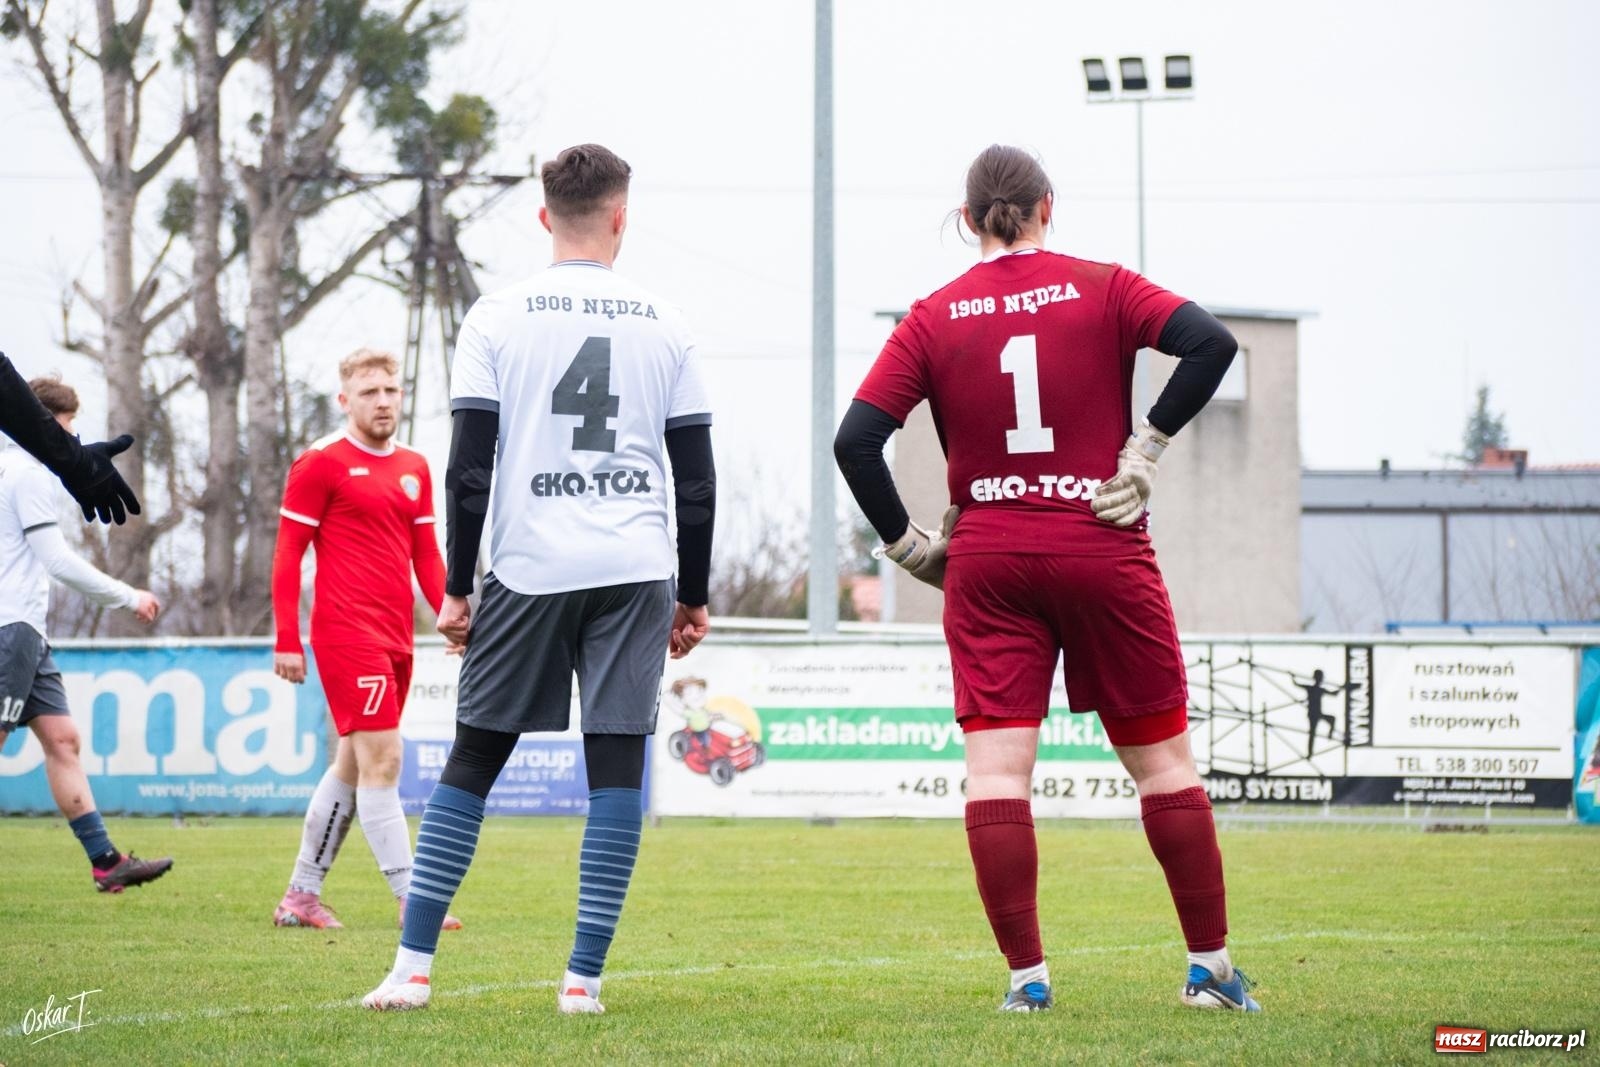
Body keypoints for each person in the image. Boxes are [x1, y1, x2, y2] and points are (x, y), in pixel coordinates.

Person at [834, 144, 1257, 1013]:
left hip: (987, 557)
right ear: (1047, 207)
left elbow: (854, 441)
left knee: (996, 776)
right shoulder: (1103, 285)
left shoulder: (933, 315)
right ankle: (1209, 972)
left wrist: (912, 548)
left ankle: (1028, 983)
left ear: (965, 219)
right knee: (1165, 767)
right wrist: (1146, 448)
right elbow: (1211, 345)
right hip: (1099, 538)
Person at [363, 142, 716, 1014]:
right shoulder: (668, 322)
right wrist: (693, 591)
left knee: (474, 759)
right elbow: (699, 477)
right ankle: (582, 982)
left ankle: (411, 971)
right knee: (616, 772)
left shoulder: (494, 317)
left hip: (528, 563)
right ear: (621, 216)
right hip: (636, 566)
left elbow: (470, 464)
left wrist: (456, 585)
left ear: (543, 215)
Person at [270, 348, 460, 933]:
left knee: (352, 765)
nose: (382, 401)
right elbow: (287, 554)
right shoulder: (321, 463)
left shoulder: (414, 466)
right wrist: (287, 638)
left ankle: (301, 895)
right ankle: (414, 899)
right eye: (369, 391)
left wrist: (449, 614)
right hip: (346, 633)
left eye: (390, 391)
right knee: (387, 757)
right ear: (344, 399)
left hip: (396, 635)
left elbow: (426, 554)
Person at [0, 375, 170, 891]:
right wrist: (128, 595)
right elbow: (57, 560)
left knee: (63, 739)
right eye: (69, 431)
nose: (71, 444)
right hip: (10, 629)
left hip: (29, 630)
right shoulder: (25, 472)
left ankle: (105, 860)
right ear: (46, 423)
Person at [0, 351, 141, 524]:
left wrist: (78, 461)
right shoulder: (27, 473)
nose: (73, 430)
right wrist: (78, 462)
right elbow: (50, 551)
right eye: (69, 420)